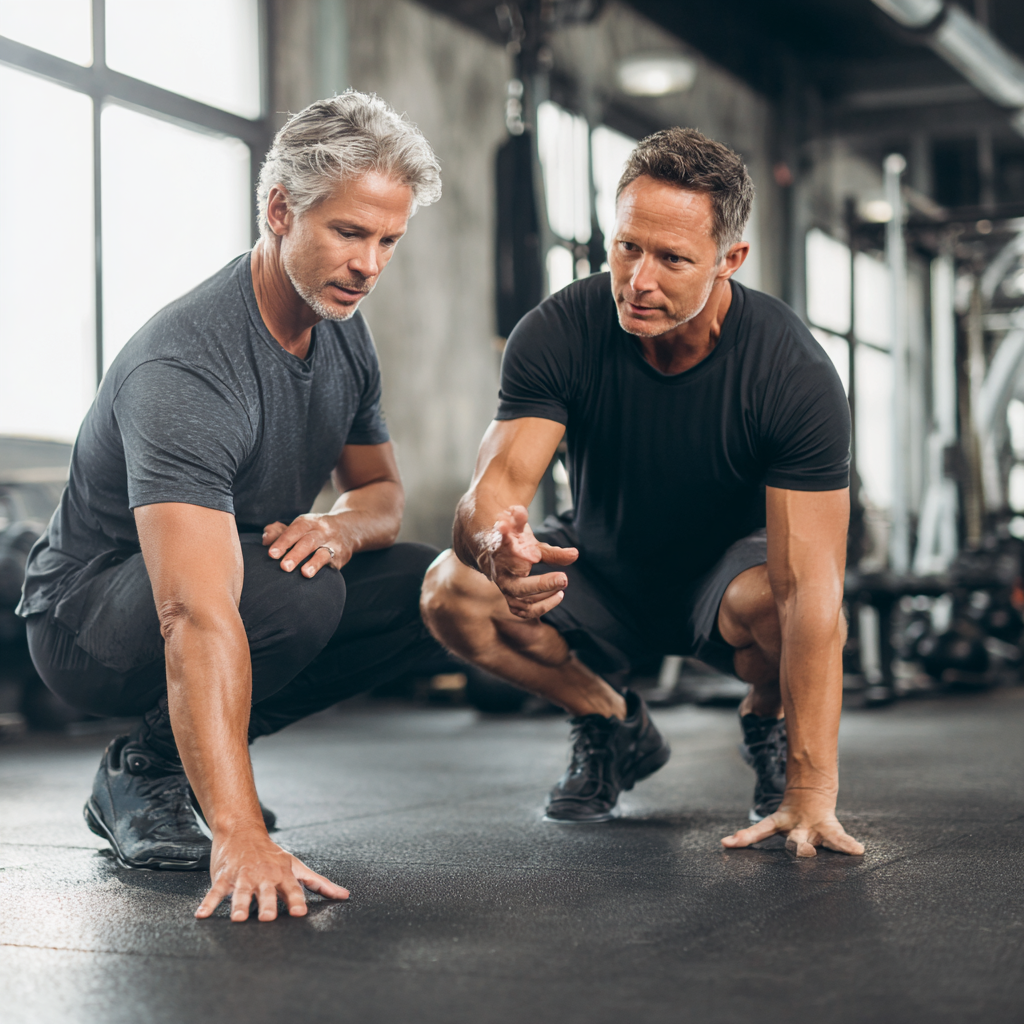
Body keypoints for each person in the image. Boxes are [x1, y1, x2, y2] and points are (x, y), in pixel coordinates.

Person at [17, 92, 446, 921]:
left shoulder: (343, 326)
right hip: (86, 617)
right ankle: (151, 773)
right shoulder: (188, 364)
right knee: (296, 591)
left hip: (226, 580)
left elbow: (382, 494)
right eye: (349, 233)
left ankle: (168, 760)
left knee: (419, 586)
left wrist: (341, 525)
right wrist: (241, 831)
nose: (369, 264)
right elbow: (192, 609)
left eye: (388, 240)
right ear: (281, 209)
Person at [421, 127, 864, 858]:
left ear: (731, 260)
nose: (639, 280)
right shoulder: (561, 329)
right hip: (600, 566)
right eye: (627, 247)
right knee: (450, 590)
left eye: (673, 259)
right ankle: (613, 722)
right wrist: (494, 544)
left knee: (797, 613)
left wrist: (813, 794)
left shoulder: (792, 371)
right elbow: (492, 489)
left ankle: (768, 724)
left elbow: (811, 590)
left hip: (723, 588)